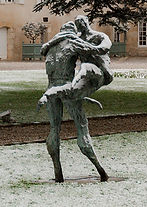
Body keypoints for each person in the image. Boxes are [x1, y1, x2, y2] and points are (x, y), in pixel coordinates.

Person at [39, 17, 113, 182]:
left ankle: (58, 174)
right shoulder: (73, 42)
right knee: (82, 129)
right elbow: (97, 51)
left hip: (51, 88)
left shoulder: (51, 47)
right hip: (67, 90)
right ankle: (101, 172)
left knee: (54, 130)